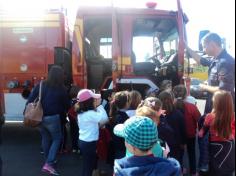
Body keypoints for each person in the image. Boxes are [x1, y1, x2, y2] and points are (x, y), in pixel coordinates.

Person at [26, 65, 70, 175]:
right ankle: (49, 163)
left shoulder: (40, 85)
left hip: (39, 117)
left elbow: (30, 99)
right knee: (57, 139)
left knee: (45, 138)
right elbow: (67, 105)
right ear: (60, 76)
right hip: (53, 117)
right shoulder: (61, 88)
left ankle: (49, 160)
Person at [113, 116, 181, 176]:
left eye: (125, 139)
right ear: (155, 142)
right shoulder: (172, 167)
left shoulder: (120, 169)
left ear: (132, 147)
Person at [186, 32, 235, 114]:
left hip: (221, 111)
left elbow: (224, 90)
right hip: (214, 105)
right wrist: (187, 48)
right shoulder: (216, 59)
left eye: (204, 46)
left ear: (212, 45)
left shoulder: (225, 62)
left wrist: (204, 86)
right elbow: (202, 60)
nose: (203, 50)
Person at [198, 90, 235, 176]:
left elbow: (201, 133)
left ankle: (203, 165)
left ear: (216, 104)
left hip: (215, 147)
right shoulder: (232, 116)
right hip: (229, 146)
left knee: (213, 169)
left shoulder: (210, 117)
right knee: (226, 169)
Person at [77, 89, 108, 176]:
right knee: (88, 166)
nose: (96, 101)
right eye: (94, 99)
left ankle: (95, 172)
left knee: (88, 163)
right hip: (89, 143)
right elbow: (104, 118)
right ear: (89, 102)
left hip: (83, 141)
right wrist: (99, 106)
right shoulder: (90, 113)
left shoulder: (82, 112)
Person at [173, 85, 201, 176]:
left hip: (176, 135)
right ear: (186, 95)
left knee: (178, 154)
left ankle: (179, 171)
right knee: (191, 153)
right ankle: (193, 172)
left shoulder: (171, 107)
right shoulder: (191, 107)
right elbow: (199, 120)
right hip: (190, 135)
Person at [158, 90, 186, 168]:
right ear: (172, 100)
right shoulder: (178, 113)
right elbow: (183, 130)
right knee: (177, 163)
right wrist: (183, 143)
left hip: (161, 145)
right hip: (176, 145)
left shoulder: (157, 114)